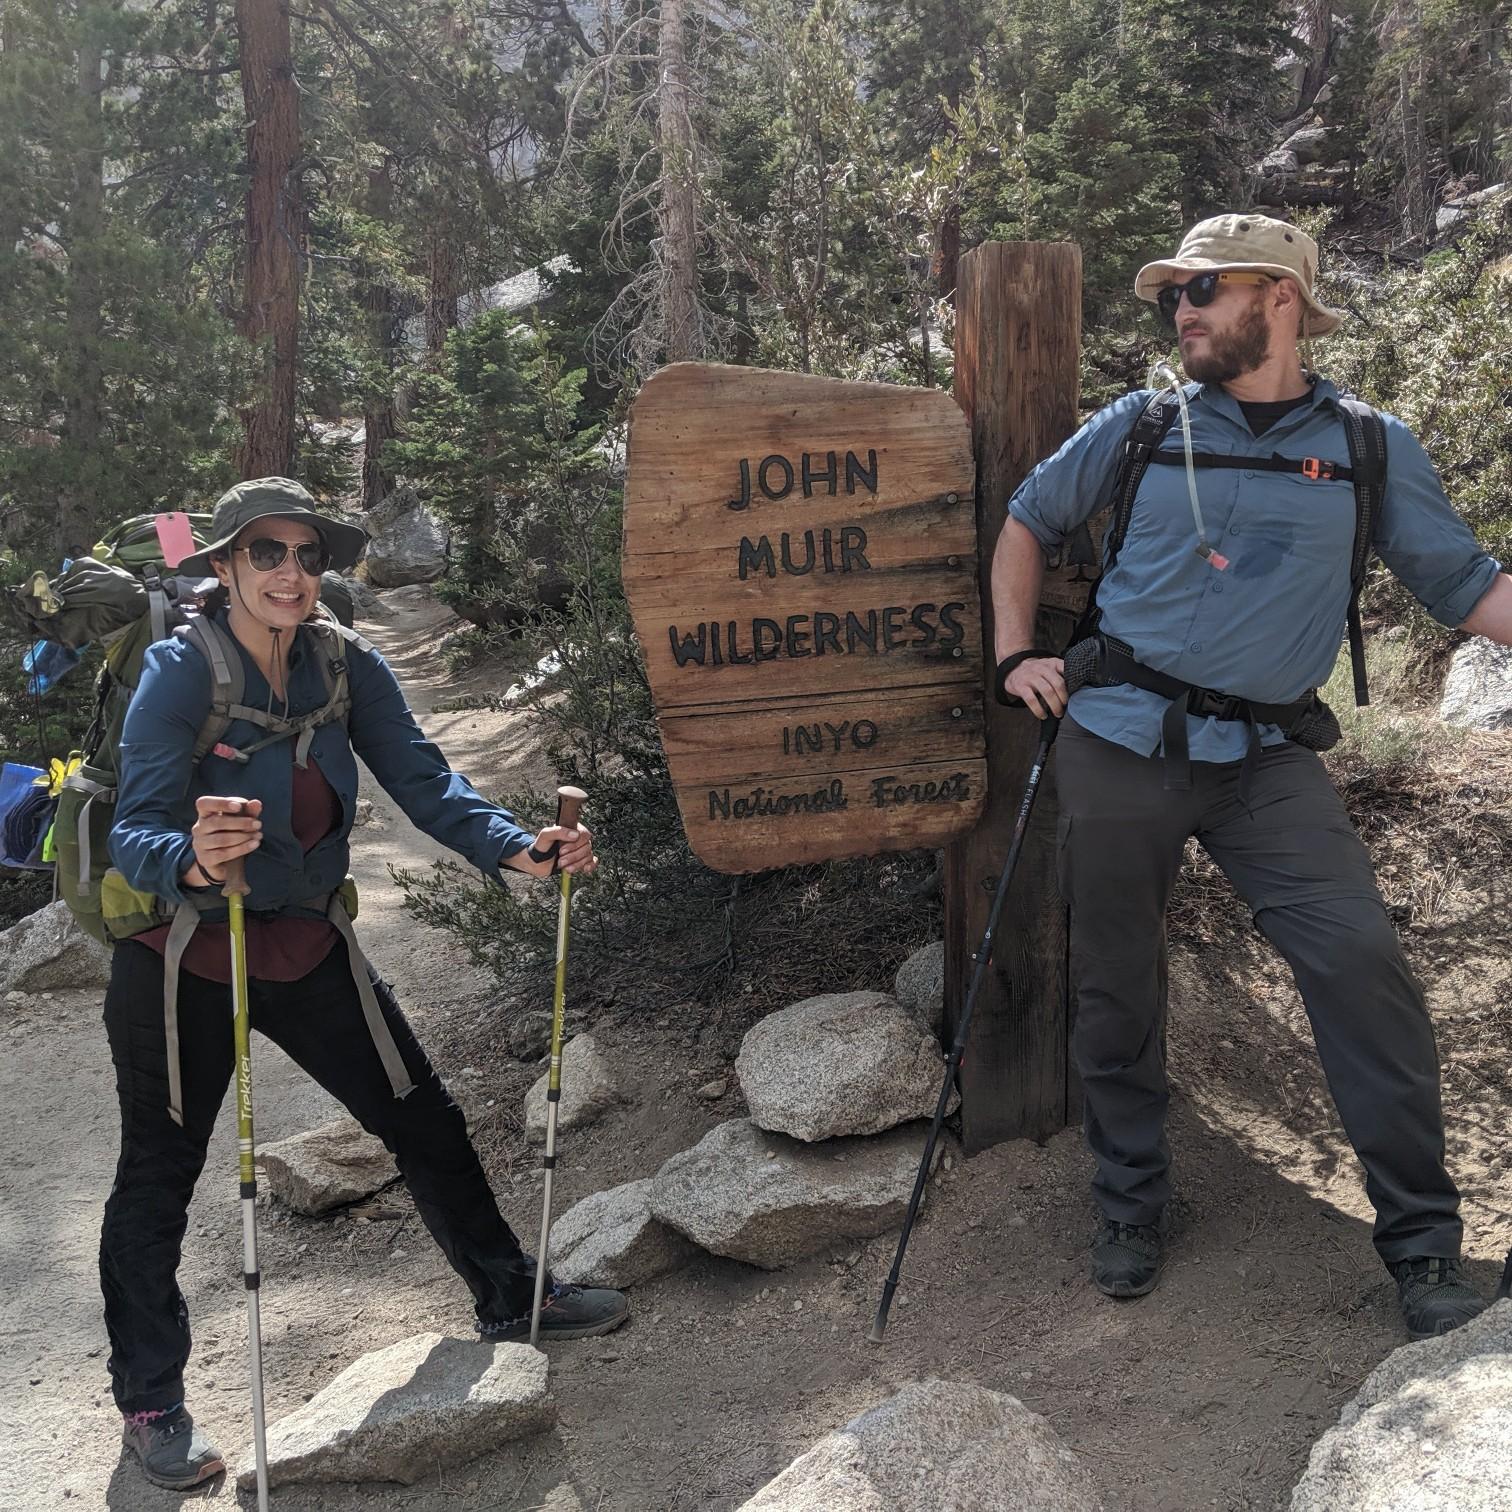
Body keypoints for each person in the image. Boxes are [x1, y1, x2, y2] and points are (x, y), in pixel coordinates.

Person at [992, 214, 1512, 1340]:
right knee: (1115, 981)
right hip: (1118, 741)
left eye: (1202, 289)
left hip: (1267, 759)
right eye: (1170, 294)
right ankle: (1130, 1204)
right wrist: (1016, 653)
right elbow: (1029, 520)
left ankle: (1424, 1247)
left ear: (1279, 296)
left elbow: (1469, 589)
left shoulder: (1371, 446)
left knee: (1360, 960)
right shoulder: (1141, 424)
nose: (1179, 310)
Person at [99, 478, 628, 1492]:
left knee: (422, 1118)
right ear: (224, 567)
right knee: (158, 1178)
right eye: (267, 553)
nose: (291, 572)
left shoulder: (348, 665)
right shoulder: (178, 673)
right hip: (184, 962)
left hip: (304, 943)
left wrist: (520, 850)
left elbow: (426, 782)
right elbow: (135, 832)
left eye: (306, 554)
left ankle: (512, 1298)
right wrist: (195, 860)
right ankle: (153, 1402)